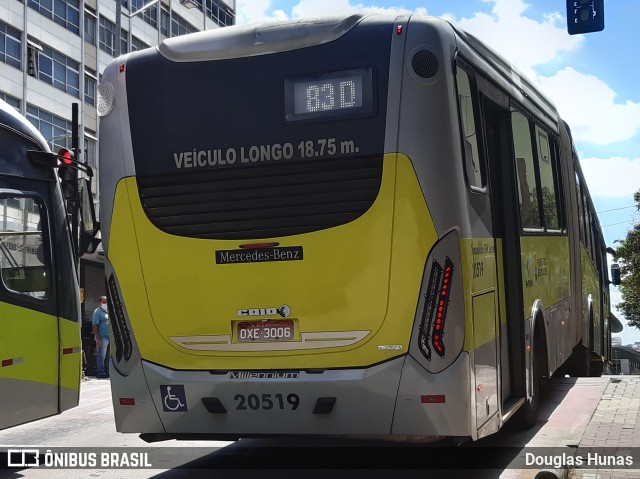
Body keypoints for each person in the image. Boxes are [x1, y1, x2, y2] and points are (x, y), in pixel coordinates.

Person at [92, 296, 110, 378]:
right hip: (102, 336)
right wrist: (97, 338)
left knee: (108, 356)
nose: (105, 303)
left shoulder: (108, 311)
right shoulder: (97, 312)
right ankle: (101, 372)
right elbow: (95, 325)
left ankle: (108, 371)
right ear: (100, 302)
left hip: (110, 337)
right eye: (103, 302)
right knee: (101, 355)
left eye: (106, 301)